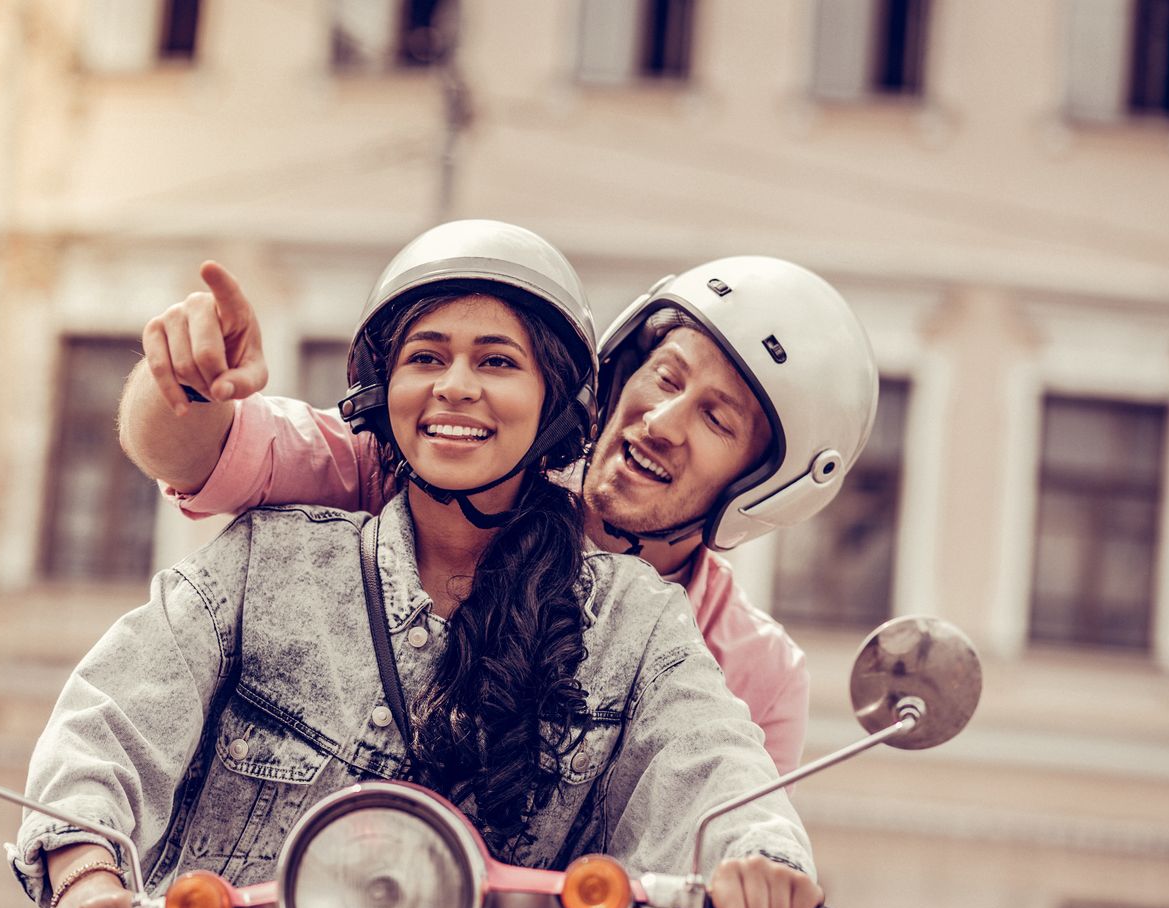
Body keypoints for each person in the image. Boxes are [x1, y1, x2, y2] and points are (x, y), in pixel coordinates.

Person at [0, 221, 823, 908]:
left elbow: (712, 762)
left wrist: (760, 864)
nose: (456, 386)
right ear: (379, 392)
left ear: (553, 406)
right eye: (426, 357)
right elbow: (118, 709)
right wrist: (83, 870)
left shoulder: (638, 620)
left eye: (497, 361)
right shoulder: (276, 551)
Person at [120, 251, 880, 789]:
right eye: (667, 377)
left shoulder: (750, 671)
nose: (662, 421)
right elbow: (199, 453)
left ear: (765, 481)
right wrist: (188, 385)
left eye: (716, 418)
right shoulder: (440, 470)